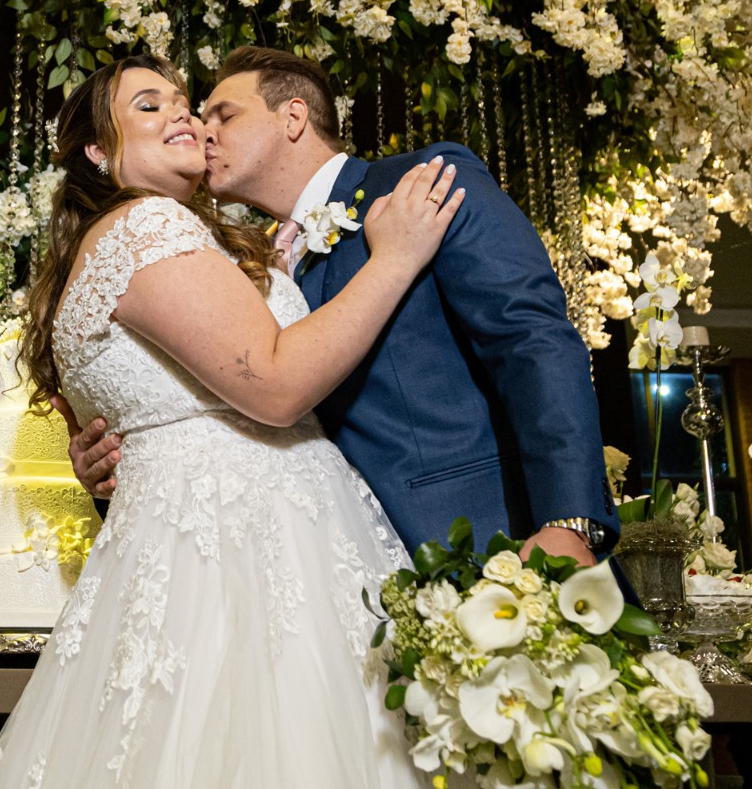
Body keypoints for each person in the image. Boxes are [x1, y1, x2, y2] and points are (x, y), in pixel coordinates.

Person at [0, 56, 461, 787]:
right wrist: (393, 259)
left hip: (190, 540)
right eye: (149, 106)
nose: (183, 115)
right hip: (250, 546)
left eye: (184, 102)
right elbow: (273, 385)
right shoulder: (145, 225)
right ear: (98, 152)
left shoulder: (122, 242)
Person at [70, 46, 617, 566]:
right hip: (332, 563)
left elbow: (531, 341)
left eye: (223, 115)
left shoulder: (418, 183)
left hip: (485, 539)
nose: (201, 130)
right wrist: (123, 458)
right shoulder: (241, 259)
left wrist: (568, 520)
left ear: (293, 117)